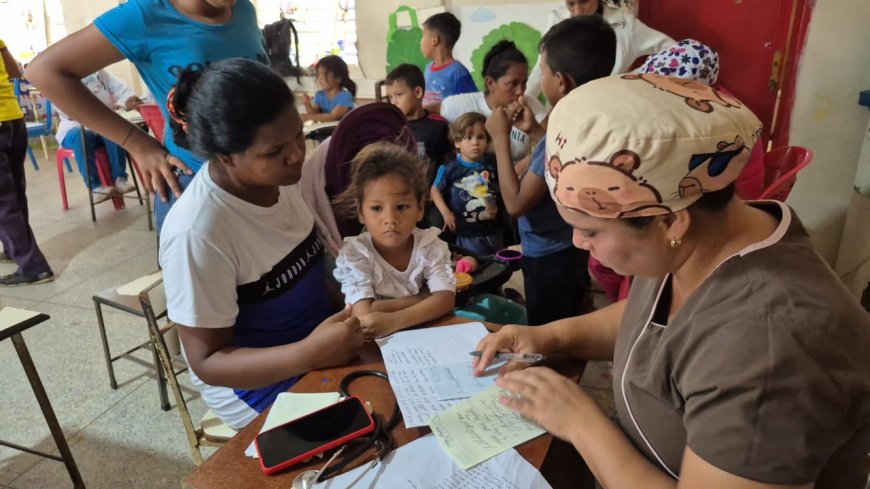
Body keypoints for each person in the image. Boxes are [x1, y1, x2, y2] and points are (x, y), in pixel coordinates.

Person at [473, 74, 870, 488]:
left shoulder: (772, 345)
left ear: (669, 220)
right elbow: (649, 321)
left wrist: (579, 421)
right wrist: (548, 337)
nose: (577, 242)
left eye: (590, 231)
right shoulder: (704, 238)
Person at [159, 58, 363, 430]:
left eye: (299, 136)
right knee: (367, 436)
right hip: (255, 386)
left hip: (317, 341)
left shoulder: (280, 181)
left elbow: (307, 274)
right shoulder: (198, 233)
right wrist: (309, 354)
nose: (297, 155)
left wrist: (354, 313)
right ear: (226, 156)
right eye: (274, 151)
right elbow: (208, 361)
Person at [24, 0, 269, 231]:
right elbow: (45, 72)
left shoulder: (243, 9)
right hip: (199, 186)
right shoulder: (145, 14)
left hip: (263, 181)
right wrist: (136, 142)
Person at [486, 16, 615, 324]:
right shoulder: (586, 121)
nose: (536, 81)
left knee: (548, 334)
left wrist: (500, 138)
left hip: (547, 256)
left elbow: (516, 204)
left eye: (541, 71)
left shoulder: (560, 130)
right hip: (572, 243)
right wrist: (533, 133)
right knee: (568, 316)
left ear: (561, 81)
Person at [332, 143, 456, 339]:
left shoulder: (429, 245)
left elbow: (446, 299)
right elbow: (364, 315)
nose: (390, 219)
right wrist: (423, 297)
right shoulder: (356, 253)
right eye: (376, 208)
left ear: (420, 208)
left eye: (401, 207)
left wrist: (393, 320)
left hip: (427, 336)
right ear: (360, 212)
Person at [525, 0, 673, 100]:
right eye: (570, 3)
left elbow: (674, 50)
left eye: (584, 1)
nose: (577, 11)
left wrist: (632, 79)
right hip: (564, 110)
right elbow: (542, 68)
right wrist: (523, 98)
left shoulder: (626, 26)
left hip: (605, 110)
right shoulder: (557, 17)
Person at [440, 40, 547, 165]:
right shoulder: (462, 104)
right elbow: (424, 113)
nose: (520, 91)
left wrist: (532, 128)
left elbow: (554, 148)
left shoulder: (530, 106)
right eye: (512, 83)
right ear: (490, 83)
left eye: (524, 82)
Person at [0, 39, 53, 286]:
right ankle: (14, 249)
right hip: (13, 119)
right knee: (15, 194)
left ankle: (33, 266)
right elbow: (13, 72)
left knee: (2, 202)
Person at [385, 63, 453, 229]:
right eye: (390, 97)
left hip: (432, 198)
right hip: (400, 199)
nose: (394, 102)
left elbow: (448, 162)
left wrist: (439, 193)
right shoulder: (391, 126)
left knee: (440, 229)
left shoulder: (438, 125)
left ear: (418, 92)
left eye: (398, 95)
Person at [55, 69, 144, 195]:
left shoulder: (99, 73)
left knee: (114, 129)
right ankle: (95, 187)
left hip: (103, 124)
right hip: (75, 128)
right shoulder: (60, 78)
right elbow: (66, 111)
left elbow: (124, 91)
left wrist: (126, 101)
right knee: (81, 136)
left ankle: (120, 179)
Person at [431, 112, 503, 256]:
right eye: (468, 137)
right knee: (472, 268)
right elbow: (434, 190)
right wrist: (446, 213)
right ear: (457, 142)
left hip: (495, 229)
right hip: (467, 233)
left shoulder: (493, 162)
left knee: (497, 265)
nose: (475, 142)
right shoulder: (450, 168)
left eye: (480, 137)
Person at [419, 12, 478, 113]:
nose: (420, 41)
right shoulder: (428, 69)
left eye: (423, 36)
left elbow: (471, 106)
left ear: (434, 39)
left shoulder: (458, 72)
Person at [302, 55, 356, 123]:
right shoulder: (319, 94)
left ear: (338, 78)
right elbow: (314, 114)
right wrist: (307, 104)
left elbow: (332, 116)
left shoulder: (345, 96)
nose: (320, 78)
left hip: (343, 129)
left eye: (324, 74)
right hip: (327, 128)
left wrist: (306, 117)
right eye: (318, 75)